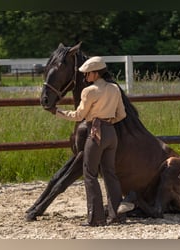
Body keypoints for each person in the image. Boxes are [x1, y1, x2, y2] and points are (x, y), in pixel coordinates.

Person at [48, 56, 133, 226]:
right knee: (110, 173)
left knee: (90, 174)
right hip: (111, 134)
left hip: (96, 135)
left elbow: (78, 116)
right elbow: (122, 114)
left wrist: (57, 112)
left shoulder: (89, 91)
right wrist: (107, 122)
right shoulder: (115, 89)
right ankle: (117, 215)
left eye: (87, 74)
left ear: (95, 73)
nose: (85, 77)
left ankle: (96, 218)